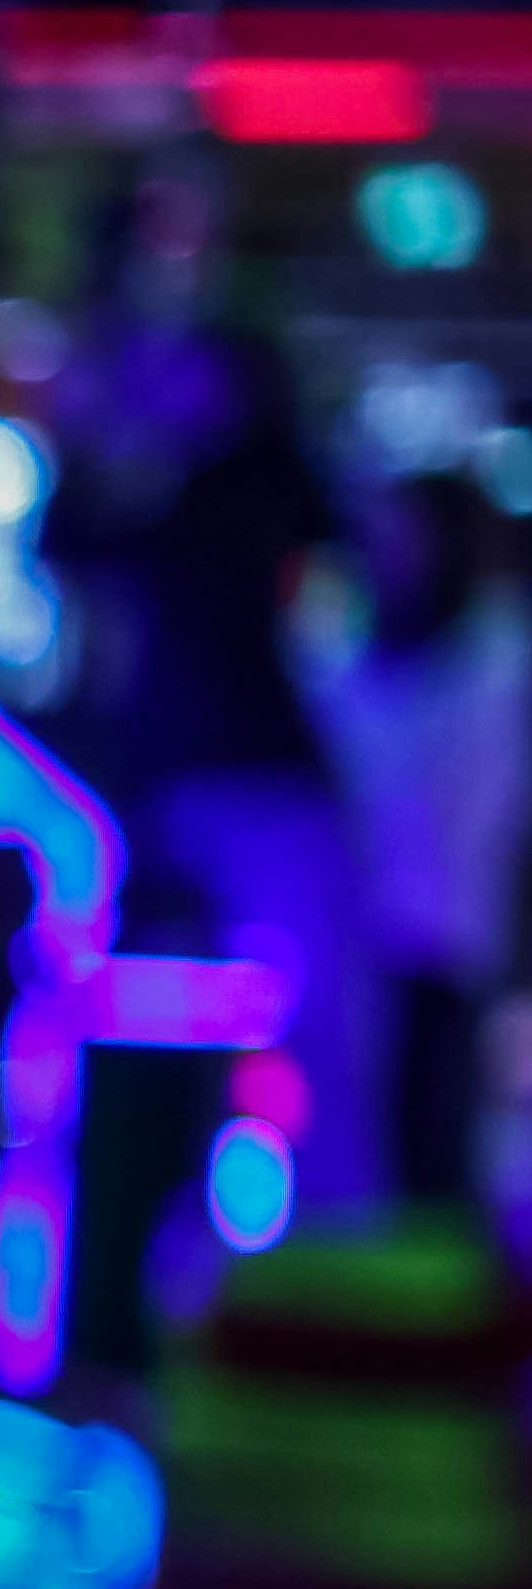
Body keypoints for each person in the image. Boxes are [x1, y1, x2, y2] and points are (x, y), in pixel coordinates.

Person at [290, 466, 532, 1211]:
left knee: (441, 1130)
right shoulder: (368, 651)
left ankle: (441, 1301)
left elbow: (459, 796)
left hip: (463, 928)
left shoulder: (501, 656)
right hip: (372, 929)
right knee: (377, 1131)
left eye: (406, 534)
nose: (388, 551)